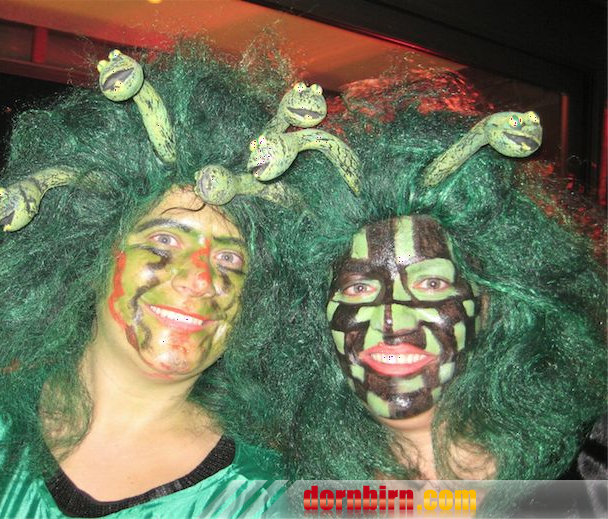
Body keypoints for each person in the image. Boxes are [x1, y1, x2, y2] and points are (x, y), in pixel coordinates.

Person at [0, 45, 310, 518]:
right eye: (164, 241)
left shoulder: (270, 499)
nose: (200, 280)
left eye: (229, 258)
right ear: (94, 255)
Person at [231, 71, 606, 508]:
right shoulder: (292, 498)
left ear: (490, 304)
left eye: (431, 283)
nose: (392, 317)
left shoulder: (588, 475)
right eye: (359, 287)